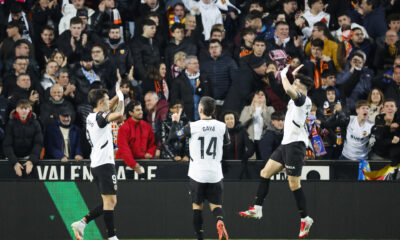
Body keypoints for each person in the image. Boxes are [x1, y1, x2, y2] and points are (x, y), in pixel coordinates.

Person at [239, 64, 314, 239]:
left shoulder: (303, 100)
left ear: (301, 88)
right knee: (265, 172)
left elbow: (287, 87)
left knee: (294, 184)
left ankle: (306, 218)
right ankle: (257, 209)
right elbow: (281, 88)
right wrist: (284, 76)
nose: (293, 85)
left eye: (296, 83)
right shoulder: (296, 98)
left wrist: (283, 74)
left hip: (296, 145)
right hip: (287, 143)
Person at [71, 87, 142, 240]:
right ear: (101, 102)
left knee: (110, 201)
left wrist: (117, 95)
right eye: (107, 99)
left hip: (97, 163)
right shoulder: (101, 117)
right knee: (109, 203)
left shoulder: (91, 116)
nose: (110, 101)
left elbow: (107, 108)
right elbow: (119, 115)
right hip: (104, 164)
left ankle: (83, 223)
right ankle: (112, 237)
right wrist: (122, 99)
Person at [168, 96, 230, 240]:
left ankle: (200, 237)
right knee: (216, 206)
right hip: (215, 173)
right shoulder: (222, 126)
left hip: (197, 174)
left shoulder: (192, 126)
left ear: (200, 109)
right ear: (213, 111)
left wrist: (175, 122)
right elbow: (227, 143)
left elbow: (173, 137)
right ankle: (219, 221)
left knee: (197, 208)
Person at [3, 99, 43, 178]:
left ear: (30, 109)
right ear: (17, 109)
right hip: (13, 158)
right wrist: (14, 162)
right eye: (21, 108)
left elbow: (38, 143)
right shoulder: (11, 124)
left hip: (29, 157)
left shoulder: (36, 123)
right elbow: (7, 145)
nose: (24, 110)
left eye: (26, 108)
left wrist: (31, 161)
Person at [170, 55, 210, 121]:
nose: (197, 65)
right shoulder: (179, 80)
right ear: (187, 65)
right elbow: (175, 99)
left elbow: (209, 96)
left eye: (197, 63)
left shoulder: (204, 78)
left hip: (203, 117)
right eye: (194, 63)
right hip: (186, 117)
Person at [239, 90, 275, 159]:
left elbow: (272, 125)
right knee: (252, 163)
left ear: (265, 98)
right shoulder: (247, 108)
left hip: (264, 140)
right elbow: (241, 124)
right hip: (250, 140)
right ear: (253, 97)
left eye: (262, 95)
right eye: (257, 94)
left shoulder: (270, 109)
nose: (260, 96)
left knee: (264, 162)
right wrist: (250, 114)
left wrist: (264, 113)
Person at [222, 110, 254, 179]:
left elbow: (251, 147)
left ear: (235, 119)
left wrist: (245, 157)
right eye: (227, 119)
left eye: (231, 118)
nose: (229, 121)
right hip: (224, 166)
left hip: (240, 165)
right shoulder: (220, 132)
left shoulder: (242, 131)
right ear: (224, 121)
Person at [370, 99, 400, 165]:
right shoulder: (379, 118)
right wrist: (388, 125)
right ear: (383, 109)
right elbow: (379, 137)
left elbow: (397, 138)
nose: (389, 108)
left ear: (396, 109)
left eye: (392, 106)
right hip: (380, 152)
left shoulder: (398, 119)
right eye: (387, 106)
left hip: (395, 154)